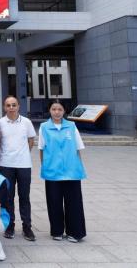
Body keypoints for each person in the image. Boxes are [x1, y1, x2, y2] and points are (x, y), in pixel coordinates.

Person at [39, 100, 87, 243]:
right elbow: (41, 149)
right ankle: (57, 231)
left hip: (72, 171)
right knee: (54, 202)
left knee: (74, 203)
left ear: (64, 111)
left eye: (59, 109)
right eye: (54, 109)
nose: (57, 112)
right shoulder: (44, 127)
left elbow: (78, 148)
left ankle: (75, 232)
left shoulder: (71, 126)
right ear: (50, 110)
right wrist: (45, 166)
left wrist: (79, 167)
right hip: (52, 172)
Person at [0, 95, 37, 241]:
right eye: (8, 105)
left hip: (24, 165)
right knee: (8, 197)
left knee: (24, 196)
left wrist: (24, 154)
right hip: (6, 164)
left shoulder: (26, 122)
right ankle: (10, 225)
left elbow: (31, 140)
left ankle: (27, 227)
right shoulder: (0, 122)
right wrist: (5, 154)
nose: (11, 108)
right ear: (4, 107)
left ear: (18, 106)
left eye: (14, 105)